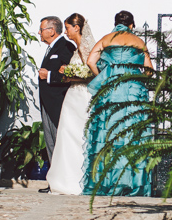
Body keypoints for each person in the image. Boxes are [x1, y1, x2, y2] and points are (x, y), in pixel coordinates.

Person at [83, 10, 154, 196]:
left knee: (109, 133)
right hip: (132, 92)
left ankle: (106, 182)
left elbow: (91, 61)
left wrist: (105, 76)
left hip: (111, 92)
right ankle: (132, 184)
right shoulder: (138, 42)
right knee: (132, 133)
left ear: (115, 24)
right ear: (132, 25)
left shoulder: (106, 39)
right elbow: (149, 70)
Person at [45, 13, 96, 195]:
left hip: (81, 96)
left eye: (67, 28)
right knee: (67, 136)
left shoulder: (85, 48)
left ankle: (76, 180)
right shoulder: (76, 48)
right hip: (72, 96)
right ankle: (65, 178)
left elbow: (92, 73)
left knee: (77, 136)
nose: (65, 32)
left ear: (77, 27)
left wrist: (68, 74)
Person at [37, 15, 76, 193]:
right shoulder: (51, 48)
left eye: (42, 29)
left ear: (51, 31)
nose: (39, 33)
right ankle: (55, 182)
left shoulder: (66, 47)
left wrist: (49, 76)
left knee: (59, 143)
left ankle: (63, 181)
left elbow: (72, 74)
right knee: (50, 143)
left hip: (58, 103)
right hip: (47, 102)